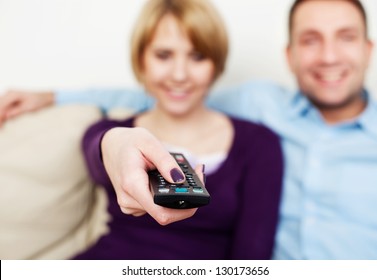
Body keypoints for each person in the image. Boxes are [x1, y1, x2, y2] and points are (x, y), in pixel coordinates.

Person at [2, 0, 377, 259]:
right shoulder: (262, 105)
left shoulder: (256, 139)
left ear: (370, 49)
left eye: (346, 37)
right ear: (289, 55)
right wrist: (61, 100)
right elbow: (137, 114)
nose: (328, 56)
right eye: (310, 39)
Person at [72, 0, 283, 260]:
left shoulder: (259, 144)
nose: (180, 74)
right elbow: (95, 147)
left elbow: (252, 258)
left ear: (215, 64)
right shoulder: (112, 130)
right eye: (163, 55)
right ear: (141, 60)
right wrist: (113, 143)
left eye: (197, 56)